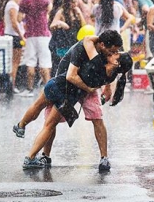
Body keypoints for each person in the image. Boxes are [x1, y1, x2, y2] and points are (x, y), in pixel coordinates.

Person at [13, 30, 132, 170]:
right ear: (103, 45)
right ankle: (34, 155)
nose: (114, 53)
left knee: (42, 113)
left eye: (116, 53)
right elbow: (72, 75)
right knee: (49, 124)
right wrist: (90, 88)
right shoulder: (88, 55)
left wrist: (101, 87)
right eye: (113, 51)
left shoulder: (99, 60)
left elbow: (88, 40)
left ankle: (22, 129)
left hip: (60, 84)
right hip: (68, 90)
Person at [18, 0, 53, 97]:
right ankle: (48, 90)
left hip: (31, 35)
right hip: (44, 34)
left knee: (30, 62)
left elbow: (19, 18)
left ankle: (29, 89)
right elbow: (49, 11)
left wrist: (28, 15)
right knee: (45, 63)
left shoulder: (24, 1)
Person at [3, 0, 25, 94]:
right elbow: (14, 23)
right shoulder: (12, 5)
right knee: (14, 62)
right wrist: (21, 36)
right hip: (14, 36)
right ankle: (11, 85)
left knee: (13, 62)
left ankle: (10, 84)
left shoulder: (13, 5)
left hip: (12, 35)